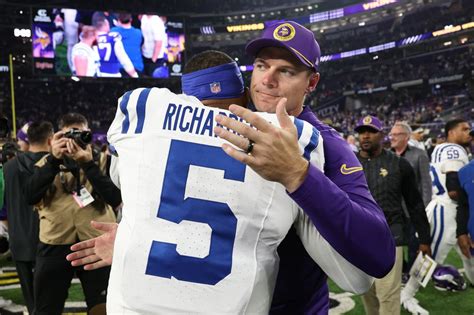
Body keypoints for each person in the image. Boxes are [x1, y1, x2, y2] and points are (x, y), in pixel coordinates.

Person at [68, 50, 377, 314]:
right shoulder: (294, 141)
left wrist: (136, 241)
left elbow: (134, 186)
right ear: (244, 93)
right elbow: (359, 278)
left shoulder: (141, 111)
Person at [211, 20, 395, 313]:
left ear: (311, 83)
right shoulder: (224, 121)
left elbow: (380, 255)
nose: (267, 80)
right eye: (261, 65)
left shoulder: (326, 144)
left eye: (286, 71)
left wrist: (299, 175)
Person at [23, 113, 120, 315]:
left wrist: (88, 164)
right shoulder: (45, 162)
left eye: (81, 134)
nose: (75, 140)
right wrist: (53, 159)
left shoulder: (104, 161)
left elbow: (115, 199)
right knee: (46, 308)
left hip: (96, 242)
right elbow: (30, 196)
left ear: (89, 135)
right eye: (70, 135)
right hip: (54, 242)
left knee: (103, 308)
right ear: (57, 138)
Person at [354, 115, 431, 315]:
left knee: (388, 293)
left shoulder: (398, 164)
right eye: (362, 132)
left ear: (382, 135)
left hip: (391, 234)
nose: (365, 136)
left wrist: (424, 239)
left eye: (370, 131)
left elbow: (414, 203)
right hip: (359, 236)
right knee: (367, 292)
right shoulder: (348, 164)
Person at [402, 118, 473, 309]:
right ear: (451, 132)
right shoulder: (454, 149)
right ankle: (407, 295)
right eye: (464, 129)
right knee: (430, 259)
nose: (469, 132)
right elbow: (453, 188)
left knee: (469, 253)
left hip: (453, 210)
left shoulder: (445, 148)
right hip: (448, 209)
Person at [3, 121, 53, 314]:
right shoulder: (56, 164)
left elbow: (2, 207)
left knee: (32, 302)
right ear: (50, 139)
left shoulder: (7, 168)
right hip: (52, 241)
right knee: (52, 300)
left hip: (19, 240)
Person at [390, 121, 432, 273]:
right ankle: (402, 271)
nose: (392, 137)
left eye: (396, 134)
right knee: (393, 245)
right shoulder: (387, 155)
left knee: (415, 245)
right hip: (393, 210)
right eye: (391, 134)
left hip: (413, 209)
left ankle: (413, 275)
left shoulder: (419, 154)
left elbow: (426, 183)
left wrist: (424, 208)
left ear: (406, 136)